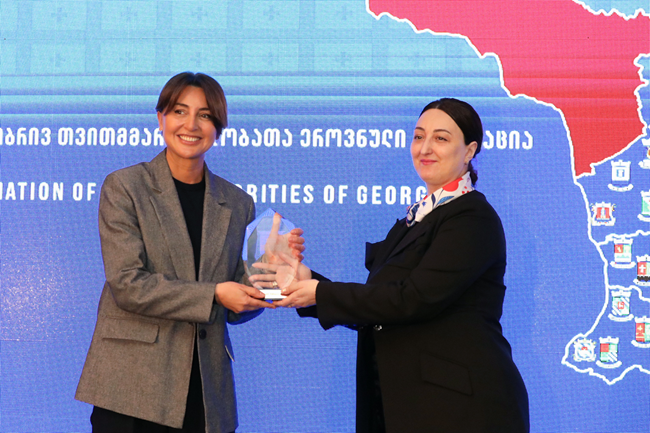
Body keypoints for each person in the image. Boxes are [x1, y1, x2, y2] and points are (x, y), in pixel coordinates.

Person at [274, 98, 530, 432]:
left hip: (458, 408)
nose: (425, 148)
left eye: (441, 138)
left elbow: (412, 299)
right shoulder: (417, 218)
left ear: (469, 151)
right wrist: (305, 279)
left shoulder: (472, 217)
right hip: (407, 403)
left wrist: (320, 293)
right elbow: (380, 301)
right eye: (419, 136)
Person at [75, 72, 304, 433]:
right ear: (161, 119)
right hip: (132, 387)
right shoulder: (125, 187)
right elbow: (128, 285)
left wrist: (271, 274)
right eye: (180, 111)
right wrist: (214, 294)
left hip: (206, 392)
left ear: (218, 129)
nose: (191, 125)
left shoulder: (238, 203)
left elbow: (235, 309)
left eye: (205, 115)